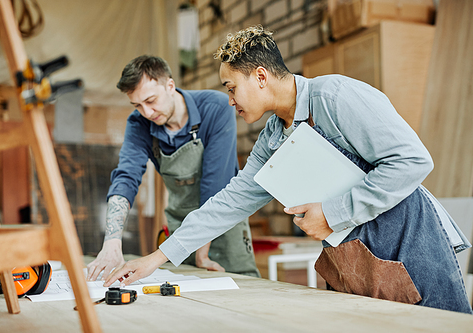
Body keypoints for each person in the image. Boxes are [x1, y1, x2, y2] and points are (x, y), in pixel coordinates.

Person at [104, 26, 472, 314]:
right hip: (357, 256)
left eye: (232, 87)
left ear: (261, 77)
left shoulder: (335, 98)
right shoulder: (273, 137)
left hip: (409, 240)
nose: (228, 99)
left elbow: (414, 161)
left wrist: (331, 213)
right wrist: (157, 258)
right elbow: (230, 201)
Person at [87, 55, 260, 281]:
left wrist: (202, 253)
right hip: (180, 227)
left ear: (170, 86)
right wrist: (111, 243)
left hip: (224, 223)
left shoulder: (216, 108)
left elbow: (215, 185)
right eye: (137, 105)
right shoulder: (139, 124)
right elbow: (126, 178)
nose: (146, 112)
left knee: (242, 290)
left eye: (150, 100)